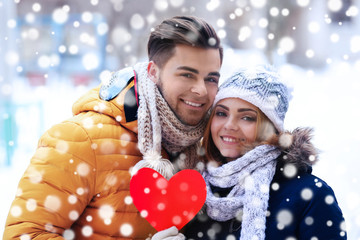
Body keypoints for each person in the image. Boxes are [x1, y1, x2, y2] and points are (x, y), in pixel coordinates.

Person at [3, 16, 223, 240]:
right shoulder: (80, 140)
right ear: (153, 72)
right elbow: (23, 235)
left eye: (211, 79)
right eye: (187, 74)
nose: (201, 91)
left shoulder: (206, 146)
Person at [183, 65, 347, 239]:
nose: (229, 125)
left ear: (271, 128)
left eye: (247, 117)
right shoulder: (196, 190)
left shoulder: (311, 195)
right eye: (221, 113)